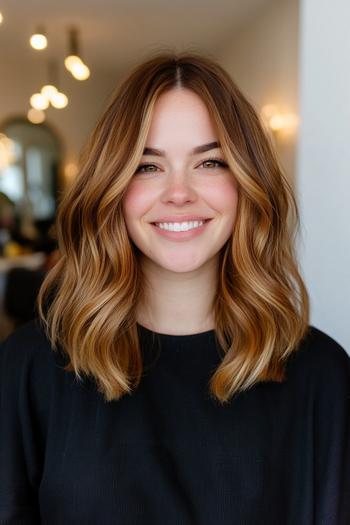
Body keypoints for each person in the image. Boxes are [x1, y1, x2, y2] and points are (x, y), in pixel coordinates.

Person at [0, 52, 349, 524]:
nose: (179, 192)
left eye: (209, 162)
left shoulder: (322, 376)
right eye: (148, 166)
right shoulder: (29, 367)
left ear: (247, 182)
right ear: (112, 188)